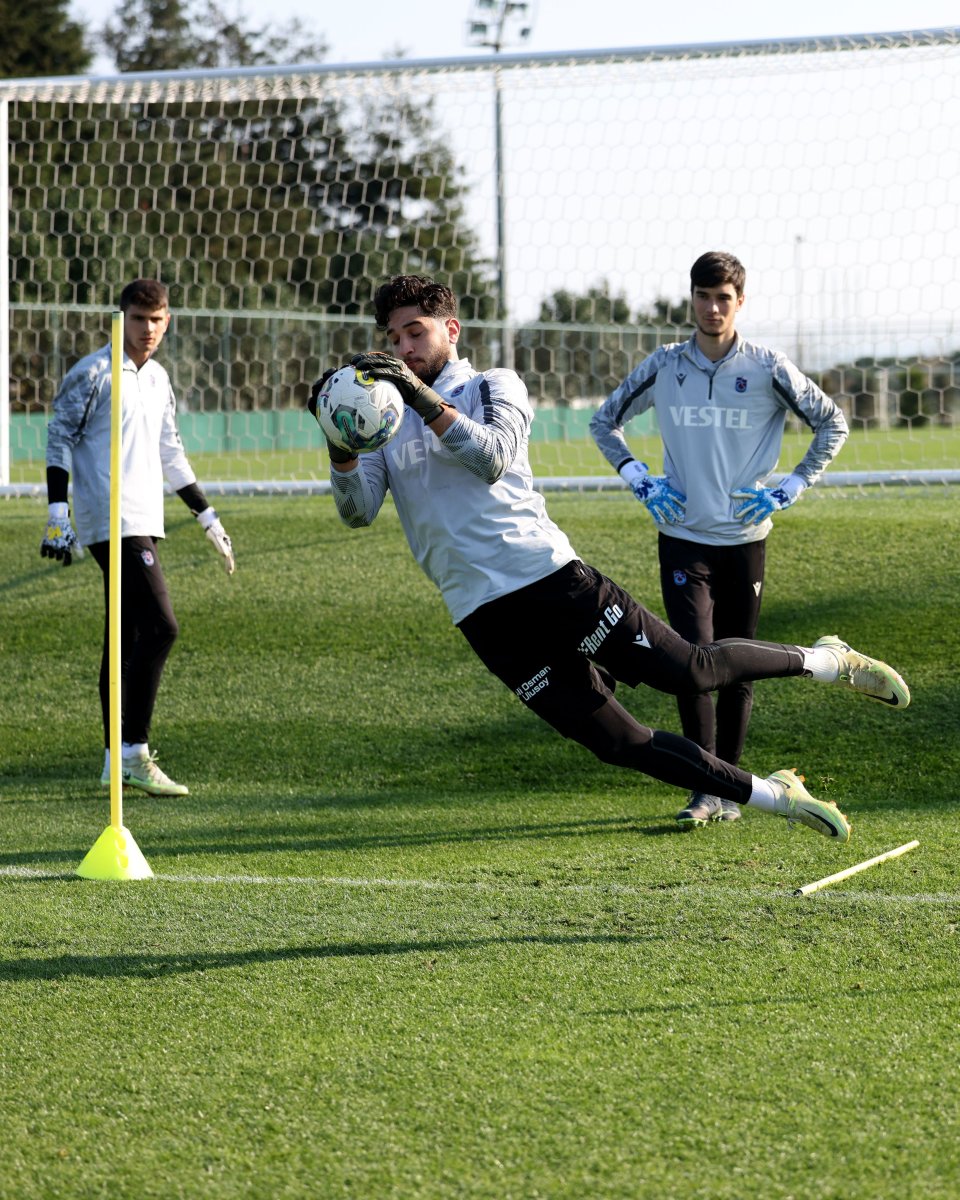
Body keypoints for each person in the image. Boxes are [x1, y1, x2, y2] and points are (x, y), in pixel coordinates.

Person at [308, 274, 908, 844]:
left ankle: (828, 661)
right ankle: (776, 796)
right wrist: (340, 446)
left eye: (416, 332)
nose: (404, 348)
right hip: (483, 617)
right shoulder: (385, 422)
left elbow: (492, 457)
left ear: (452, 329)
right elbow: (358, 510)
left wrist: (420, 395)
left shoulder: (494, 385)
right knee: (618, 742)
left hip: (551, 582)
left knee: (692, 670)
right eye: (393, 338)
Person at [591, 251, 850, 830]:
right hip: (682, 535)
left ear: (740, 300)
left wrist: (791, 486)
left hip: (745, 537)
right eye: (703, 297)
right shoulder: (664, 365)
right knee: (692, 663)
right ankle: (705, 791)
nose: (712, 308)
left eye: (724, 298)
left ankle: (732, 790)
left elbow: (832, 421)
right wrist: (639, 478)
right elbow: (603, 420)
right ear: (691, 298)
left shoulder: (767, 367)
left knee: (738, 666)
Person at [42, 278, 235, 797]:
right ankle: (134, 752)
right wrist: (57, 511)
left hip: (146, 519)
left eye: (156, 319)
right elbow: (59, 435)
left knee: (126, 635)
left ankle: (115, 758)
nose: (147, 328)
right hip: (111, 519)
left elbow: (171, 451)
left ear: (167, 320)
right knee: (162, 625)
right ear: (119, 317)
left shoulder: (158, 379)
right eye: (137, 318)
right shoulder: (94, 373)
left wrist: (206, 516)